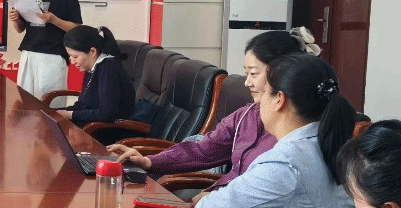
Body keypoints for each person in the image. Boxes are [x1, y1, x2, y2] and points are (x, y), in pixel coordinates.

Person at [190, 53, 357, 208]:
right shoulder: (329, 146)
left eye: (264, 92)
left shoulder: (285, 164)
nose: (258, 103)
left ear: (279, 99)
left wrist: (208, 198)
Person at [107, 28, 321, 189]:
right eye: (245, 73)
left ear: (282, 73)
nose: (247, 82)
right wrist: (148, 161)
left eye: (254, 74)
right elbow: (203, 150)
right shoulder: (246, 115)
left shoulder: (295, 134)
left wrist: (213, 198)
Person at [8, 0, 81, 99]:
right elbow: (20, 29)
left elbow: (76, 28)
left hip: (53, 55)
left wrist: (54, 20)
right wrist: (15, 19)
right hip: (29, 53)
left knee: (49, 101)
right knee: (25, 100)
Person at [57, 25, 135, 135]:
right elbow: (83, 105)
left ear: (93, 51)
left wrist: (71, 115)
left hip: (110, 131)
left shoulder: (108, 69)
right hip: (93, 126)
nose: (72, 62)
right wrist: (55, 111)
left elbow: (106, 114)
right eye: (70, 56)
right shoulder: (92, 67)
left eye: (75, 57)